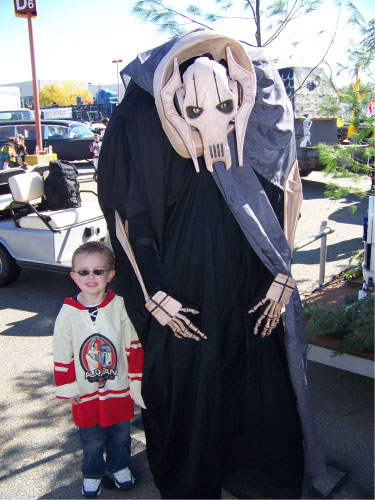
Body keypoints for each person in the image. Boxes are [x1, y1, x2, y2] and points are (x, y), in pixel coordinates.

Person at [98, 30, 326, 499]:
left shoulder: (263, 103)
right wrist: (152, 291)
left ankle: (253, 467)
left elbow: (285, 190)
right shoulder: (141, 116)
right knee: (191, 378)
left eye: (223, 108)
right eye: (197, 112)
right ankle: (196, 470)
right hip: (184, 283)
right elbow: (131, 213)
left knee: (254, 375)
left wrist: (282, 272)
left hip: (250, 279)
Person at [53, 241, 145, 499]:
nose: (90, 277)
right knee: (91, 439)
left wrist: (136, 381)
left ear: (110, 274)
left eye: (98, 271)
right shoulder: (68, 313)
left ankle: (120, 466)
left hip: (117, 387)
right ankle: (92, 473)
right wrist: (67, 387)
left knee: (120, 433)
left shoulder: (119, 306)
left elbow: (133, 345)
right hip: (86, 390)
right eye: (83, 272)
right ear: (74, 276)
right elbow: (62, 352)